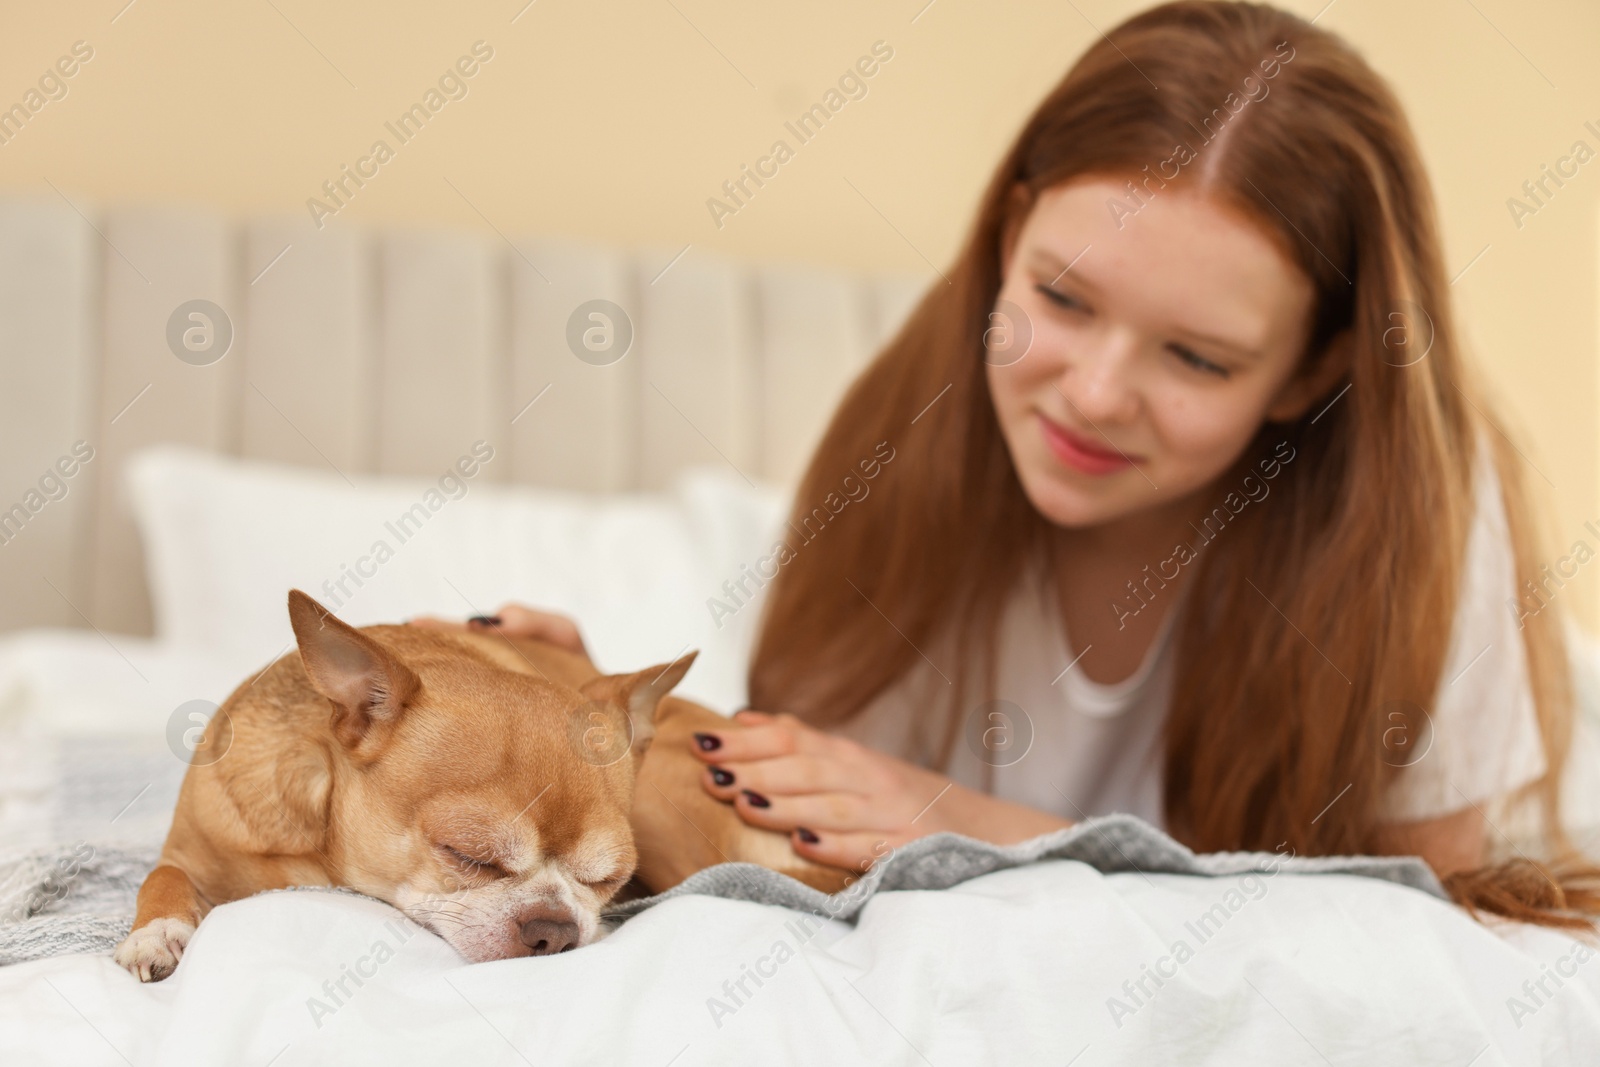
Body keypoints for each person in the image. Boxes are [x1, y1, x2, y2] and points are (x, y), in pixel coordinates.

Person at [420, 1, 1600, 926]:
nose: (1090, 393)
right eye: (1059, 295)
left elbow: (1424, 921)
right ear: (1006, 233)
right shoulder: (900, 441)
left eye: (1194, 356)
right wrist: (613, 744)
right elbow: (813, 831)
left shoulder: (1423, 533)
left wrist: (971, 822)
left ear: (1308, 373)